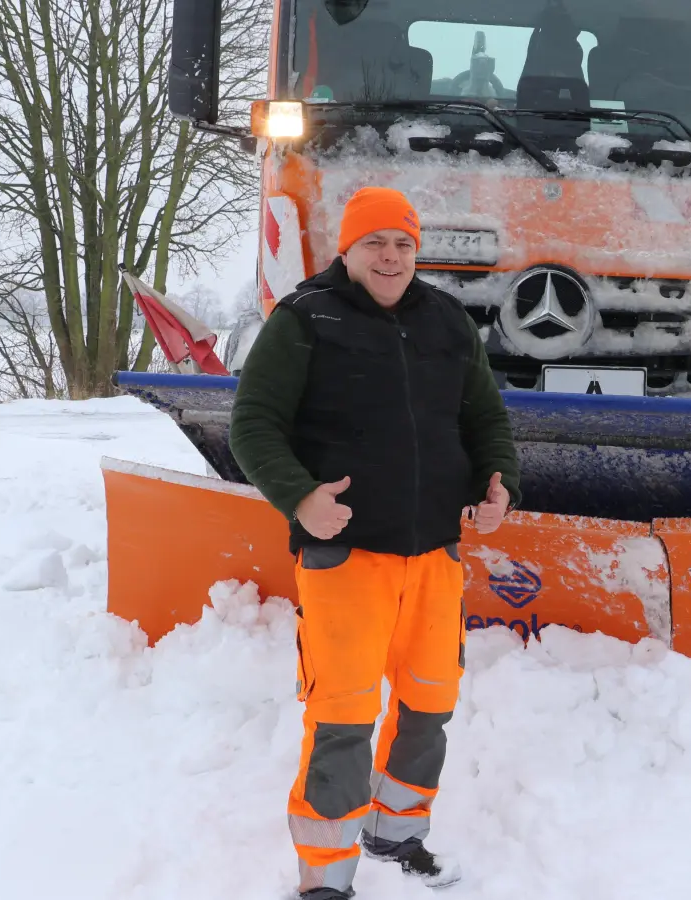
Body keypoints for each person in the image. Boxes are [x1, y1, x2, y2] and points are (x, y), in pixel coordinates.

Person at [229, 186, 521, 900]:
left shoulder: (447, 320)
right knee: (344, 717)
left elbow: (485, 417)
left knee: (429, 706)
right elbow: (253, 423)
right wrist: (299, 497)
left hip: (433, 557)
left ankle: (398, 829)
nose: (391, 257)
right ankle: (325, 881)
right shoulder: (304, 319)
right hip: (346, 558)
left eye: (403, 244)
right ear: (347, 249)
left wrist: (497, 480)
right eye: (375, 243)